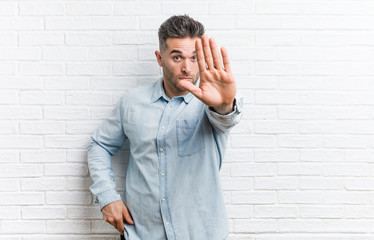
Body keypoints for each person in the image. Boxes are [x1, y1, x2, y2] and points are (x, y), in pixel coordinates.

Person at [88, 15, 243, 240]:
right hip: (141, 234)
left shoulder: (213, 103)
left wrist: (224, 104)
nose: (187, 67)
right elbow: (99, 145)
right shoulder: (132, 101)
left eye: (194, 58)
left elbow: (226, 117)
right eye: (177, 57)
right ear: (160, 58)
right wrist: (107, 195)